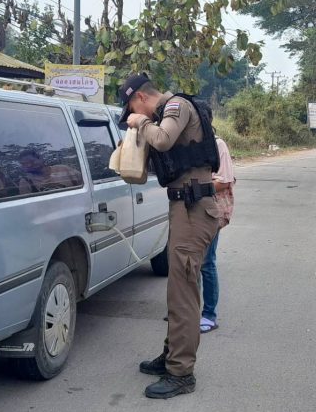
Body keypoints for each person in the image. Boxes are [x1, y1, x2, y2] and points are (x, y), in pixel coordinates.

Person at [120, 74, 220, 399]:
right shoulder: (165, 114)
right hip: (185, 208)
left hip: (194, 209)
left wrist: (140, 123)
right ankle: (171, 355)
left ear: (140, 98)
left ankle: (181, 373)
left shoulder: (176, 106)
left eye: (131, 108)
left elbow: (162, 140)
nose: (133, 115)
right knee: (177, 291)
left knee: (184, 294)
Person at [200, 108, 235, 334]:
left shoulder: (217, 145)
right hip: (189, 210)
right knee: (187, 263)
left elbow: (225, 181)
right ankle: (187, 309)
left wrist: (197, 188)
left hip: (211, 211)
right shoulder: (186, 144)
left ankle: (209, 314)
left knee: (206, 262)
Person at [16, 148, 82, 194]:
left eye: (31, 161)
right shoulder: (26, 181)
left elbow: (84, 185)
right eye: (24, 164)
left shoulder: (64, 169)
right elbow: (28, 205)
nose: (29, 165)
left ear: (40, 158)